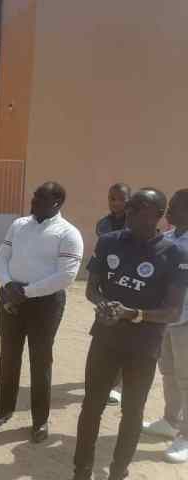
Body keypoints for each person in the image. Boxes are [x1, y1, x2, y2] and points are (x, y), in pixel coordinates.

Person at [72, 188, 188, 480]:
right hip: (105, 339)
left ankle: (118, 471)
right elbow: (92, 288)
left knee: (132, 411)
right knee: (91, 406)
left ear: (159, 215)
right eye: (131, 206)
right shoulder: (109, 241)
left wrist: (133, 314)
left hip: (143, 347)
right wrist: (103, 305)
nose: (130, 212)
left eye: (139, 208)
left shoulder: (174, 253)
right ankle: (81, 470)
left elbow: (173, 311)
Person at [0, 182, 83, 443]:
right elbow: (2, 256)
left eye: (40, 198)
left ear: (57, 203)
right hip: (11, 297)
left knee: (40, 361)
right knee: (8, 356)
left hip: (45, 304)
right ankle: (4, 409)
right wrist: (8, 284)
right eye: (34, 196)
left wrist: (26, 292)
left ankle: (40, 420)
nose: (33, 201)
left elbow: (66, 276)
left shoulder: (68, 233)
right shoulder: (19, 225)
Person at [142, 189, 188, 463]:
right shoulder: (168, 238)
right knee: (169, 372)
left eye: (175, 207)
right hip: (165, 320)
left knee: (187, 378)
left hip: (186, 321)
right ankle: (171, 421)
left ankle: (186, 436)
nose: (168, 212)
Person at [95, 183, 131, 407]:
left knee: (127, 338)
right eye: (111, 198)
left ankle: (118, 386)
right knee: (108, 335)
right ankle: (109, 379)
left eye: (120, 198)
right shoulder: (103, 224)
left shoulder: (138, 223)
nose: (115, 202)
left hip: (133, 285)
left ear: (129, 200)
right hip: (110, 284)